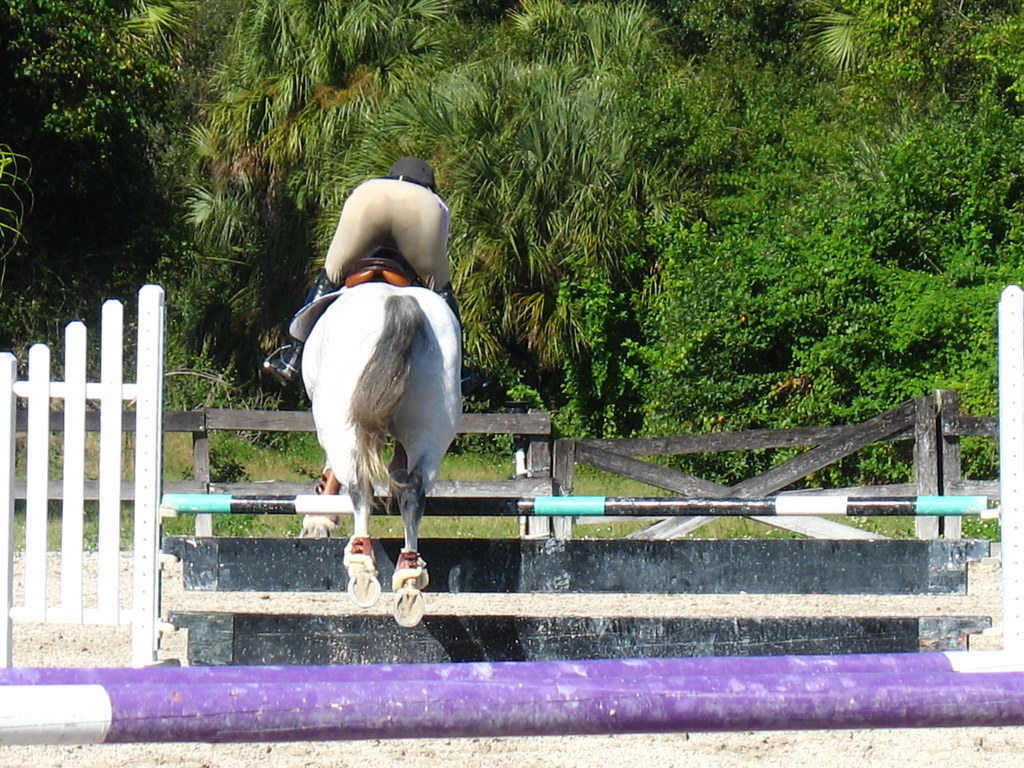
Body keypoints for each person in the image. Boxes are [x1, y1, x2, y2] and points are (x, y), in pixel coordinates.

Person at [263, 157, 459, 387]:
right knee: (441, 289)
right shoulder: (434, 201)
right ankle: (462, 369)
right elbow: (437, 245)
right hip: (419, 208)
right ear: (429, 185)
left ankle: (292, 357)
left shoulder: (372, 186)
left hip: (368, 198)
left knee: (331, 275)